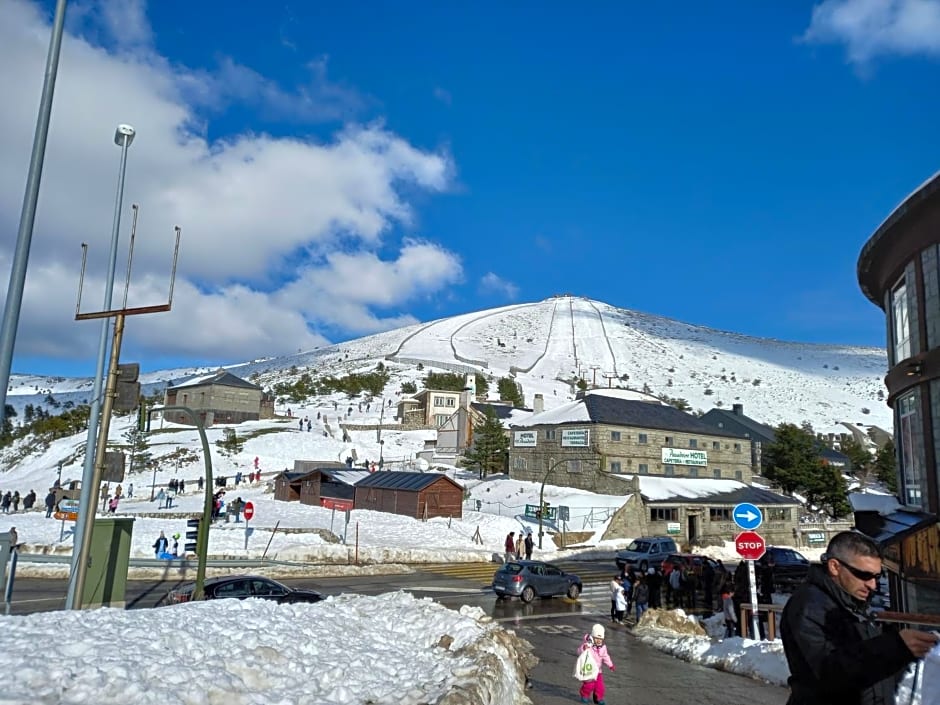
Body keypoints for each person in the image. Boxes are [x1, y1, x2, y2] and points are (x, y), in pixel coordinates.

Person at [780, 531, 938, 705]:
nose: (872, 585)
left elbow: (865, 662)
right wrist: (895, 646)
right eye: (864, 575)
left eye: (877, 576)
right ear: (834, 567)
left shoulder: (851, 601)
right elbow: (830, 672)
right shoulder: (809, 606)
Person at [577, 624, 615, 704]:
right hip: (588, 670)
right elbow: (579, 651)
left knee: (600, 687)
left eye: (600, 639)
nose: (598, 640)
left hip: (598, 671)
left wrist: (610, 665)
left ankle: (598, 698)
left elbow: (605, 656)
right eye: (597, 638)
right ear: (593, 637)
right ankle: (584, 694)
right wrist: (584, 648)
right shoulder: (588, 645)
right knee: (589, 685)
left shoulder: (603, 647)